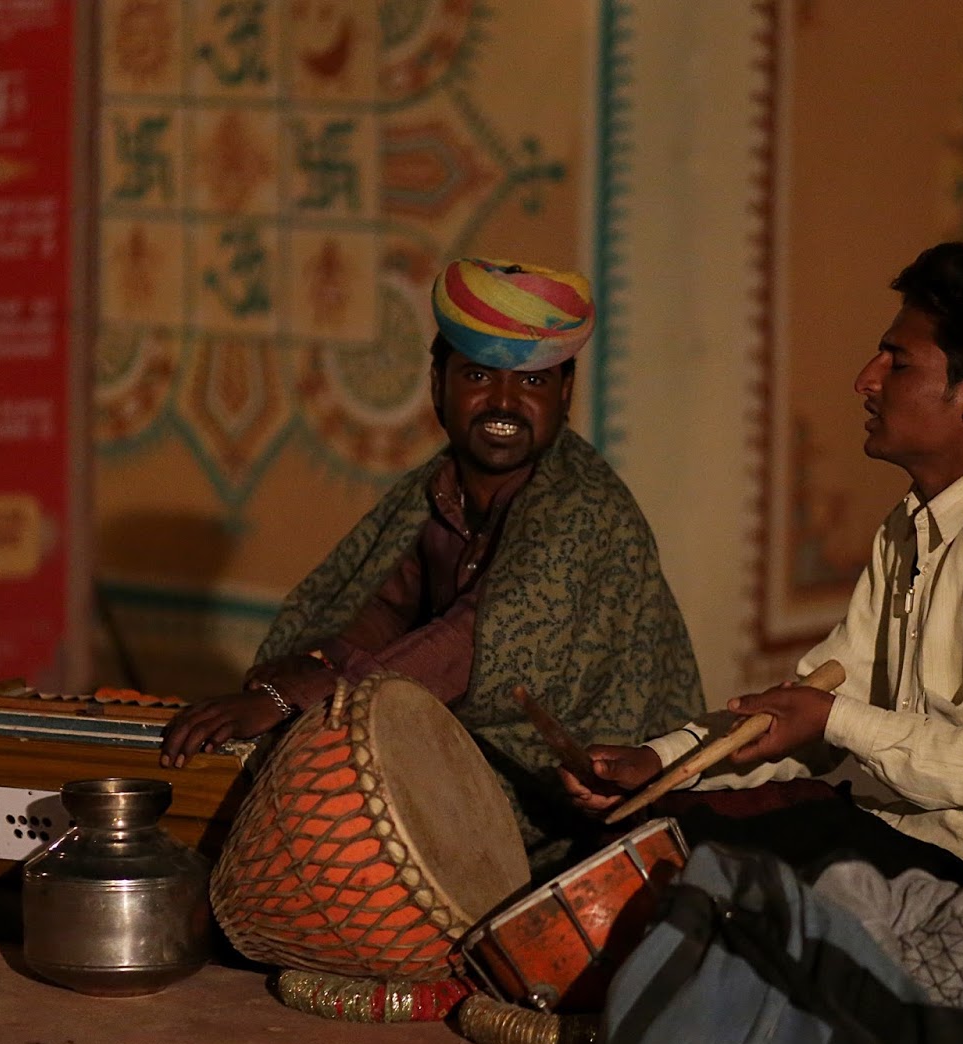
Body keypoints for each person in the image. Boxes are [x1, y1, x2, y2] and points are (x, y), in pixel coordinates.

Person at [564, 241, 963, 875]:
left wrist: (837, 720)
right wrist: (661, 761)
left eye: (898, 362)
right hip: (930, 837)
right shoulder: (912, 524)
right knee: (661, 830)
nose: (867, 380)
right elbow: (819, 700)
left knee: (712, 863)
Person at [161, 256, 706, 870]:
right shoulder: (434, 490)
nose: (504, 402)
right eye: (478, 375)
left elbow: (470, 641)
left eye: (532, 381)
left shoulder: (582, 508)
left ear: (564, 394)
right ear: (437, 383)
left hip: (586, 810)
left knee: (343, 822)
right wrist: (298, 678)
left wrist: (303, 698)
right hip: (475, 760)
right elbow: (381, 607)